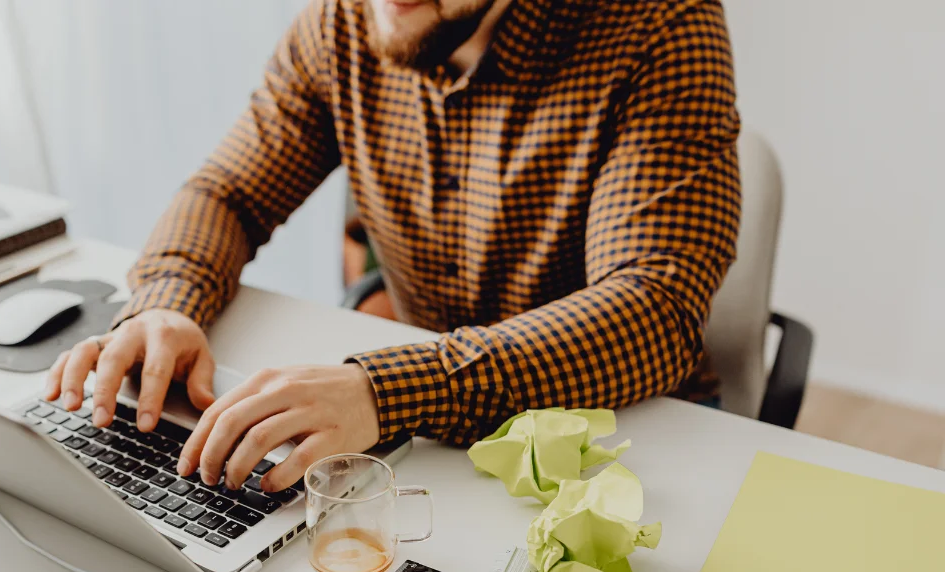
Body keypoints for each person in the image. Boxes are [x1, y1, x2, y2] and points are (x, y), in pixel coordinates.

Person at [44, 0, 741, 493]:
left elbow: (654, 308)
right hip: (427, 427)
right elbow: (228, 194)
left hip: (622, 430)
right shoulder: (341, 21)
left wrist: (388, 389)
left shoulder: (661, 23)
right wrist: (166, 306)